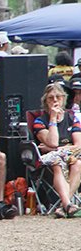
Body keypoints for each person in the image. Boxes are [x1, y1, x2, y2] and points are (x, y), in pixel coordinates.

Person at [31, 82, 81, 217]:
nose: (55, 100)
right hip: (51, 161)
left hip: (72, 156)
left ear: (64, 99)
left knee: (78, 164)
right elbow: (52, 142)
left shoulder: (71, 118)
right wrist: (53, 118)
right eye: (51, 98)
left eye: (58, 97)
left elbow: (78, 144)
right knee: (57, 163)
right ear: (45, 101)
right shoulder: (40, 121)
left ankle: (64, 205)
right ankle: (67, 204)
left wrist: (57, 148)